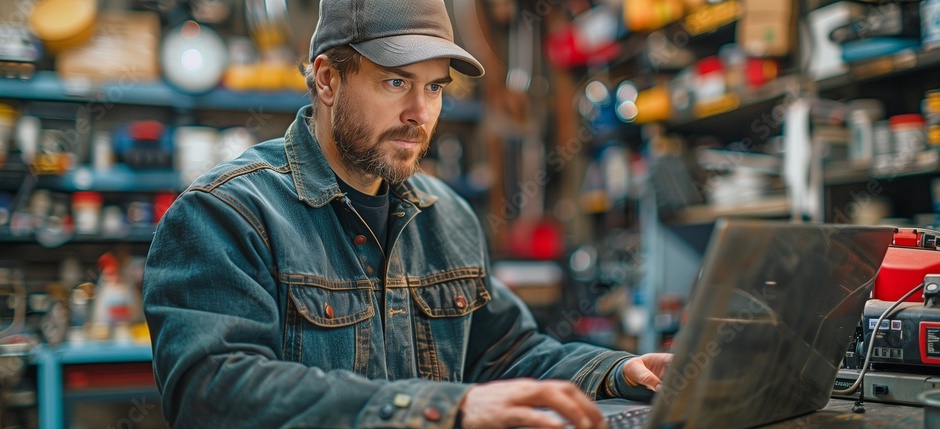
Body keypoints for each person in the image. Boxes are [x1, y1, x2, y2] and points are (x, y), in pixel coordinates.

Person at [142, 0, 673, 427]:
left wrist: (620, 371)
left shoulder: (447, 216)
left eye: (435, 87)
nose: (420, 113)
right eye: (396, 82)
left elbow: (505, 352)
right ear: (327, 80)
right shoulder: (226, 215)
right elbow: (214, 395)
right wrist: (449, 409)